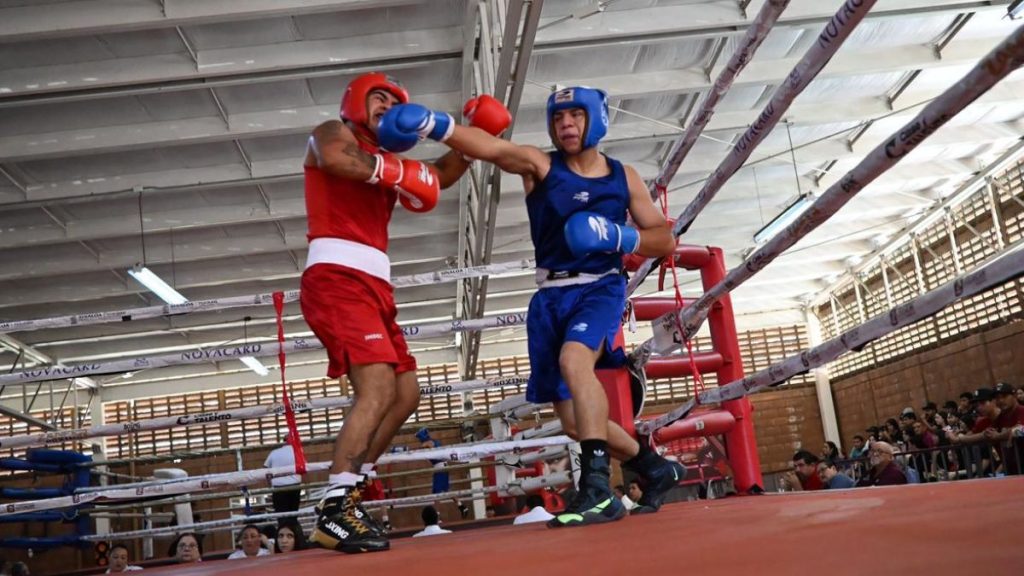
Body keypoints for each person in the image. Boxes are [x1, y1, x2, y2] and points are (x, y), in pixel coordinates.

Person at [379, 85, 682, 528]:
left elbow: (664, 238)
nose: (566, 124)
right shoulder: (541, 166)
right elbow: (493, 148)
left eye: (576, 115)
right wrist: (434, 125)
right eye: (559, 118)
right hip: (549, 298)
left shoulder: (624, 177)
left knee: (575, 361)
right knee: (575, 423)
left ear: (595, 119)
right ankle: (654, 467)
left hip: (599, 287)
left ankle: (599, 489)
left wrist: (620, 236)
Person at [302, 72, 507, 554]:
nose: (386, 105)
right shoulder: (333, 133)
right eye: (378, 97)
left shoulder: (385, 159)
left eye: (393, 100)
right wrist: (397, 172)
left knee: (406, 391)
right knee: (375, 386)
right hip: (337, 275)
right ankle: (333, 510)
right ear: (355, 101)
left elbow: (436, 177)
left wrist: (477, 137)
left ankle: (350, 489)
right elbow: (337, 159)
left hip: (373, 283)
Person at [416, 427, 471, 518]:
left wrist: (408, 450)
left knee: (437, 492)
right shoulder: (433, 442)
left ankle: (437, 515)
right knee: (446, 490)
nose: (419, 440)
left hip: (440, 467)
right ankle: (461, 506)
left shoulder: (429, 442)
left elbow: (422, 447)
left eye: (419, 437)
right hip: (440, 467)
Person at [263, 433, 302, 518]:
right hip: (294, 486)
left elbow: (265, 468)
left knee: (281, 515)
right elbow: (304, 467)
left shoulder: (274, 453)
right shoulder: (298, 452)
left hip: (278, 487)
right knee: (293, 515)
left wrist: (270, 483)